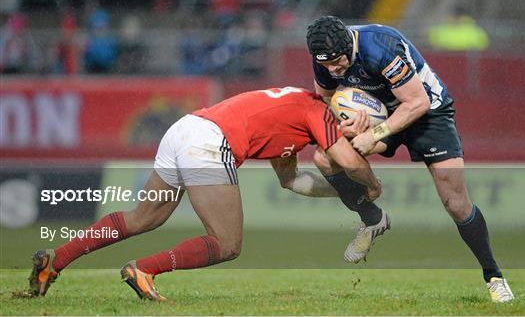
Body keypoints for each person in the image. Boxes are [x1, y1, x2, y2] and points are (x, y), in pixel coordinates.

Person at [28, 87, 382, 301]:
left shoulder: (294, 111)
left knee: (142, 218)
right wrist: (370, 186)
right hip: (209, 142)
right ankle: (144, 270)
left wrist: (340, 192)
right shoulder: (318, 112)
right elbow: (349, 161)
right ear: (347, 115)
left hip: (185, 129)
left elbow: (291, 181)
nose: (359, 138)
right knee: (227, 243)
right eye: (362, 128)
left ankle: (54, 261)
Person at [305, 15, 514, 303]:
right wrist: (347, 124)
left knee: (456, 203)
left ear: (347, 46)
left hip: (427, 114)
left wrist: (374, 134)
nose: (333, 68)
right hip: (379, 113)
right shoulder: (324, 58)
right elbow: (326, 102)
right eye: (326, 64)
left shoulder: (381, 47)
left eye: (337, 61)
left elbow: (417, 102)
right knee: (325, 157)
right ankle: (372, 218)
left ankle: (494, 276)